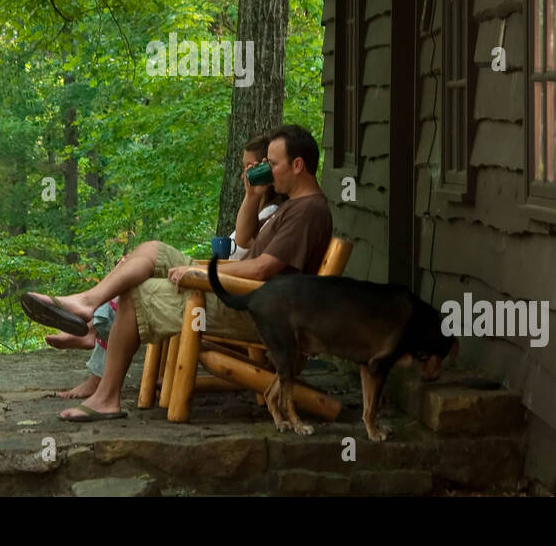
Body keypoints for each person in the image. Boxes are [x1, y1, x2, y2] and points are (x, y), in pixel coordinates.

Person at [23, 124, 332, 421]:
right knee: (153, 249)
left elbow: (263, 268)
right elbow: (245, 238)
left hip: (255, 312)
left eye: (273, 163)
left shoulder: (307, 211)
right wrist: (252, 194)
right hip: (246, 296)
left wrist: (199, 272)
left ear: (298, 165)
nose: (267, 169)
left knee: (138, 293)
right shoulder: (295, 205)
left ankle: (106, 398)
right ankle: (87, 302)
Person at [46, 134, 285, 400]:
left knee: (135, 284)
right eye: (245, 167)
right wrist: (251, 195)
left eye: (254, 167)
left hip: (229, 294)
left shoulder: (277, 212)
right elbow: (243, 244)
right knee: (141, 257)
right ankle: (92, 321)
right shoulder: (261, 206)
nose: (247, 173)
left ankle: (94, 329)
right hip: (224, 284)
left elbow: (249, 259)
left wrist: (199, 273)